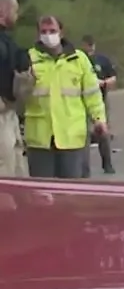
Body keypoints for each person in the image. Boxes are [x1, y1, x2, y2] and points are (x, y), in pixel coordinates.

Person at [24, 16, 107, 179]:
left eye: (52, 31)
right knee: (42, 193)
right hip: (40, 139)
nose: (48, 35)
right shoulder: (28, 59)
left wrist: (99, 119)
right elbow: (19, 95)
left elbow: (92, 94)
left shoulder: (79, 59)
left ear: (61, 32)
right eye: (44, 31)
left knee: (70, 192)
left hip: (72, 137)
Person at [0, 0, 33, 176]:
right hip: (2, 112)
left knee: (16, 163)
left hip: (8, 113)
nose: (17, 16)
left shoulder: (7, 42)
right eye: (14, 11)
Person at [81, 35, 117, 174]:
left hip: (100, 100)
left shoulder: (102, 60)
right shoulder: (79, 60)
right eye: (87, 44)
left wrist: (105, 83)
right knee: (84, 136)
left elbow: (113, 77)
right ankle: (84, 169)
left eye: (91, 44)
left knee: (103, 133)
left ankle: (107, 164)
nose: (89, 47)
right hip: (82, 102)